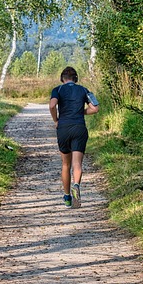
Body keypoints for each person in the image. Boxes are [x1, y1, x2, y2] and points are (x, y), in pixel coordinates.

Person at [49, 67, 99, 208]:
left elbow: (52, 105)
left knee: (66, 164)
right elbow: (95, 108)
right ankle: (76, 185)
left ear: (62, 78)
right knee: (77, 164)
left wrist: (56, 120)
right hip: (79, 128)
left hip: (63, 128)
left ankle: (67, 197)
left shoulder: (57, 90)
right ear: (76, 78)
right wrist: (81, 112)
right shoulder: (84, 90)